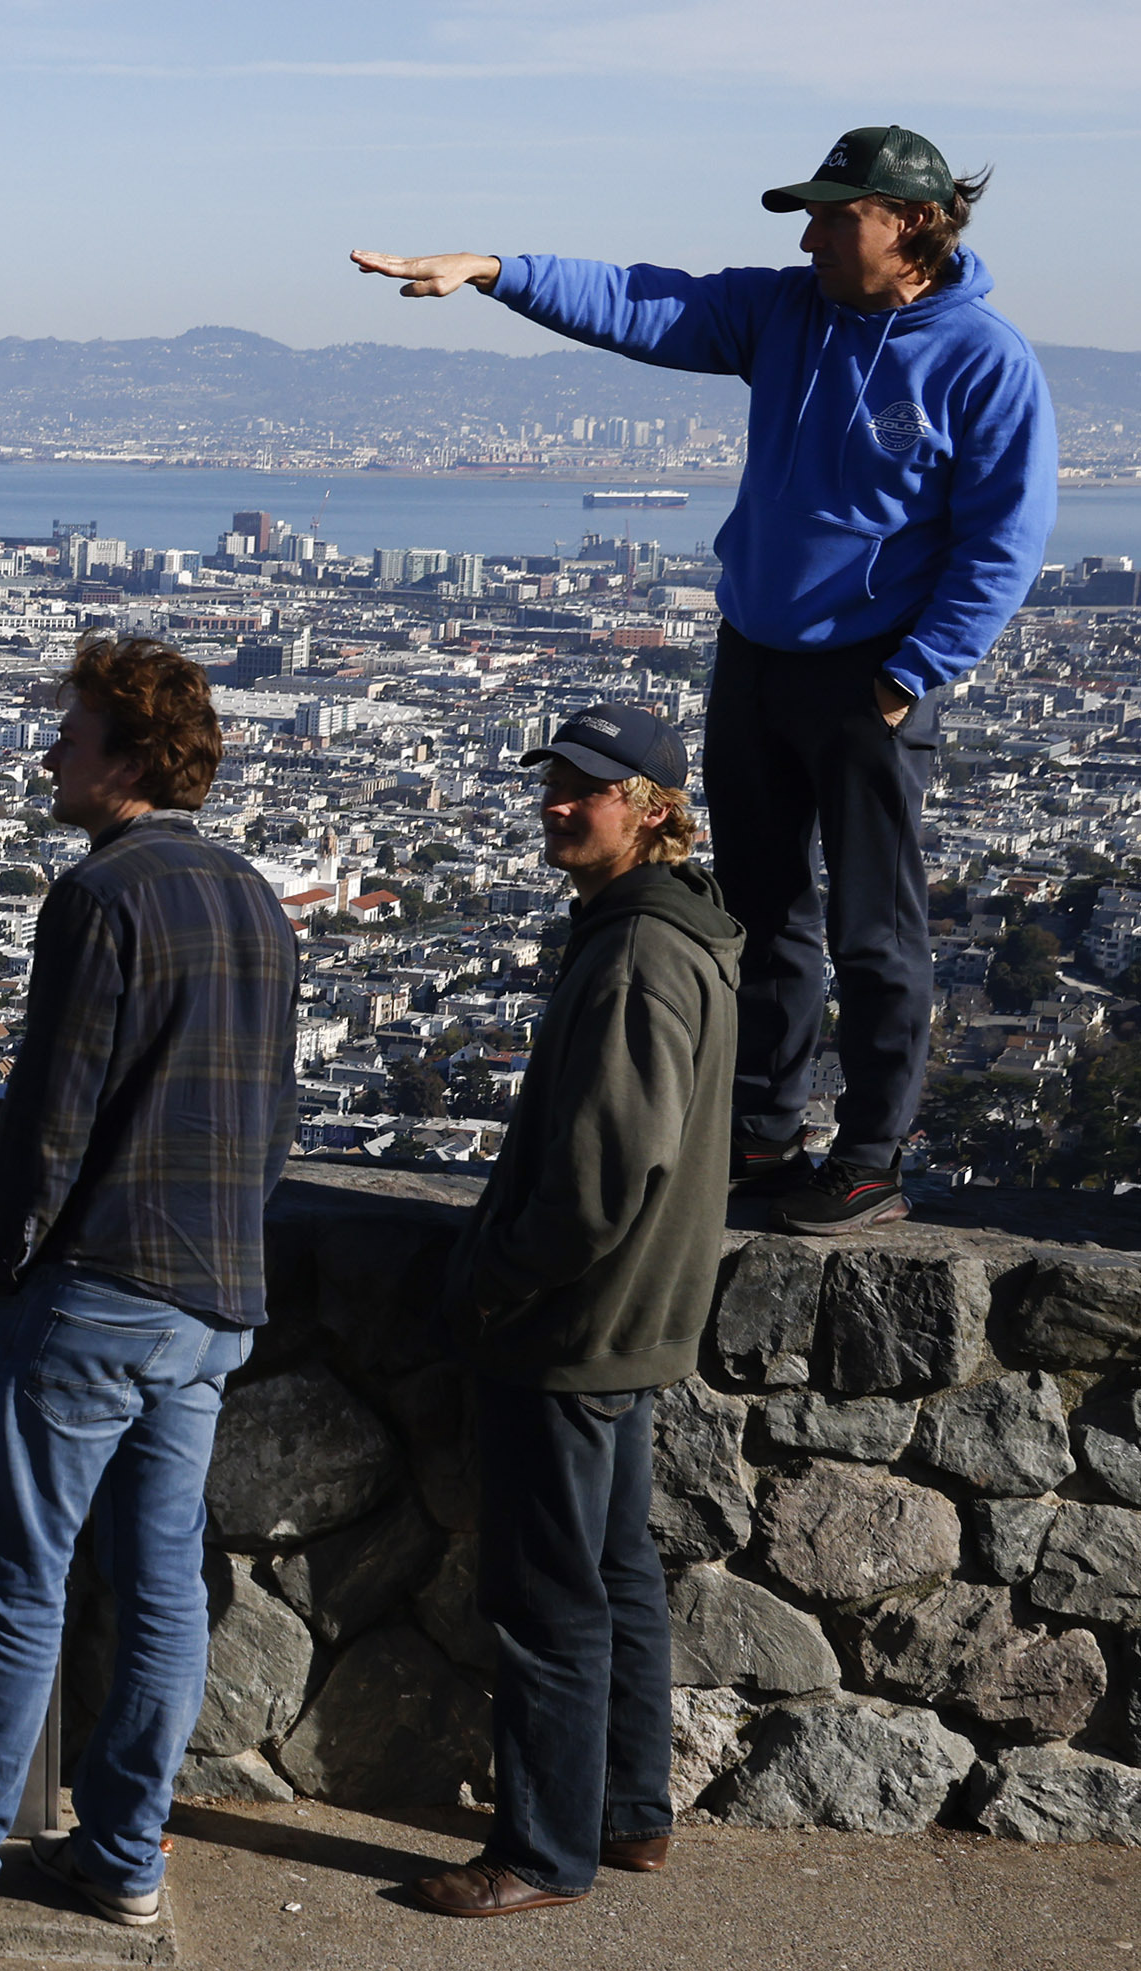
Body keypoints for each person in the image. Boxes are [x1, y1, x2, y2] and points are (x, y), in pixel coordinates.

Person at [352, 126, 1057, 1234]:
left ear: (911, 222)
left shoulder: (980, 356)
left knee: (876, 929)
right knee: (764, 908)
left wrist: (910, 676)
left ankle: (871, 1156)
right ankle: (763, 1132)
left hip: (872, 675)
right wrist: (492, 270)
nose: (811, 234)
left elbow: (1004, 539)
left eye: (836, 215)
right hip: (757, 656)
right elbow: (647, 303)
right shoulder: (787, 314)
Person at [0, 636, 297, 1930]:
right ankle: (124, 1853)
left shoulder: (101, 897)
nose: (47, 756)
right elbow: (274, 1113)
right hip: (214, 1300)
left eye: (69, 736)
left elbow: (52, 1115)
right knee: (159, 1588)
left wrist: (9, 1270)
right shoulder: (252, 893)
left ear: (129, 756)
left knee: (18, 1580)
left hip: (96, 1289)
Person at [414, 706, 742, 1919]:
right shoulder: (681, 931)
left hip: (571, 1321)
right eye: (553, 780)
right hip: (635, 1313)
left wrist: (495, 1273)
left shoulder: (635, 952)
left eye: (589, 787)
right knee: (614, 1573)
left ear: (653, 806)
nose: (559, 801)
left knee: (546, 1595)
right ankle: (628, 1815)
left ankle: (542, 1850)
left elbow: (603, 1171)